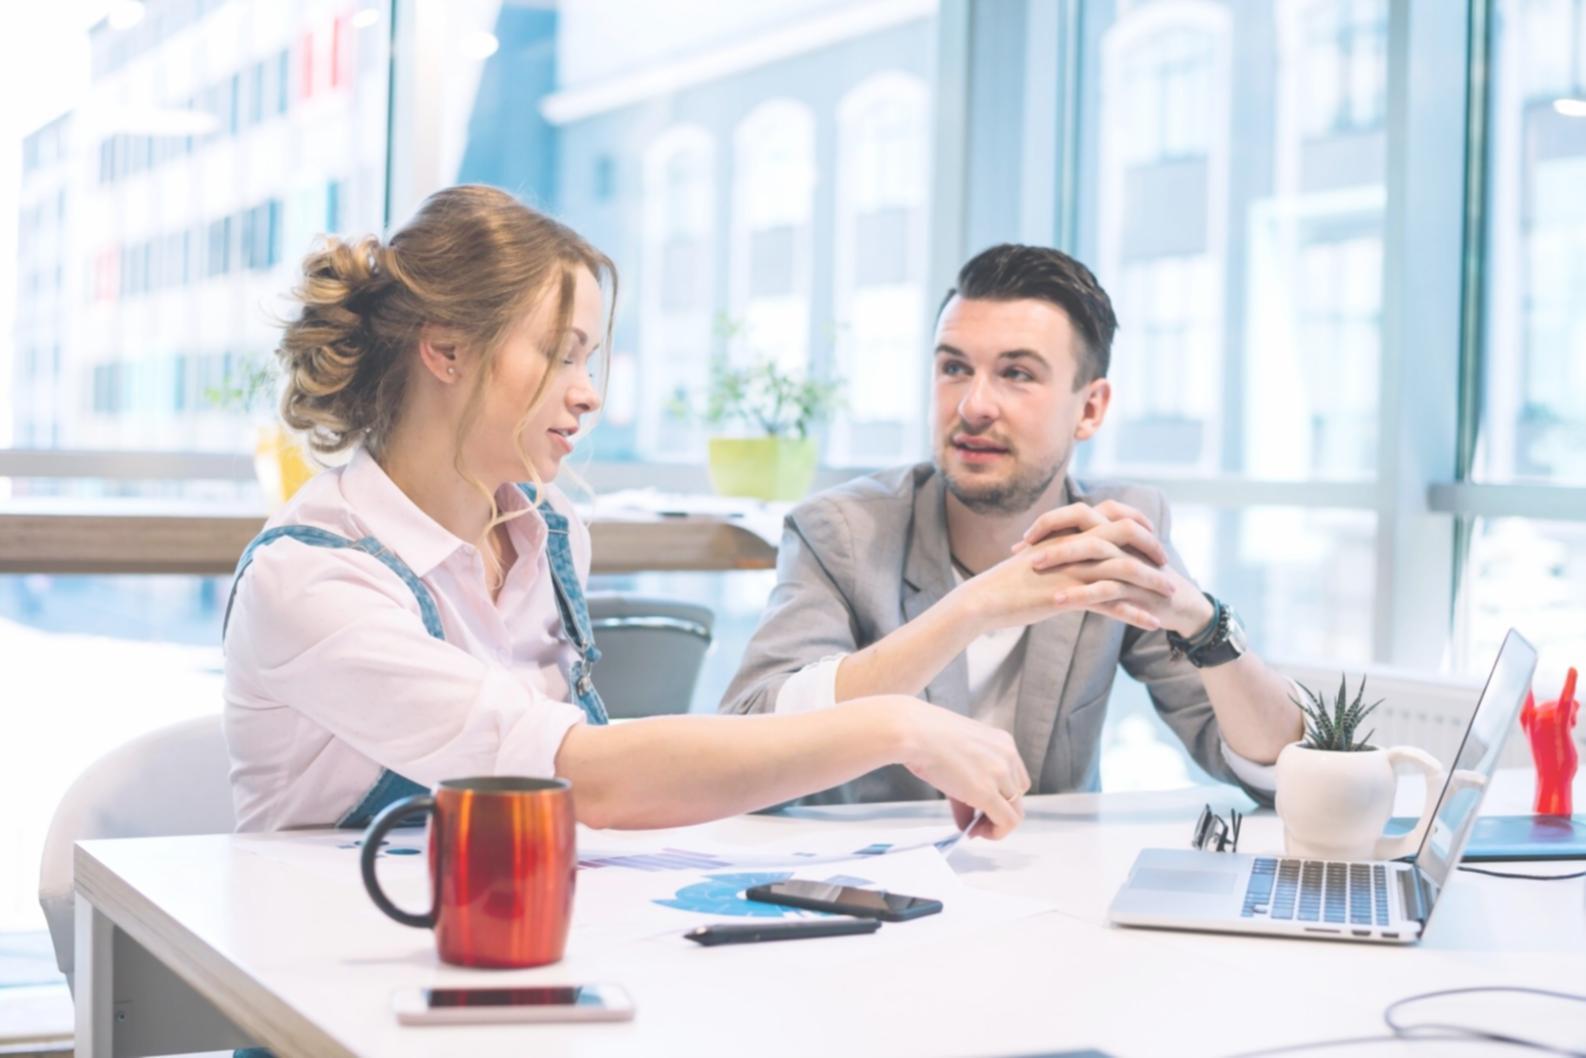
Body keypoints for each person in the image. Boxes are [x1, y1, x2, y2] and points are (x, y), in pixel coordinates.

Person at [222, 185, 1029, 837]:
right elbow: (581, 775)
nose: (589, 391)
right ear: (446, 349)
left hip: (502, 946)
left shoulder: (548, 532)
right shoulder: (312, 578)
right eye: (559, 352)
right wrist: (900, 728)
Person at [720, 243, 1301, 804]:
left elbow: (1277, 767)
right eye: (953, 367)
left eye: (1017, 374)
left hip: (1046, 884)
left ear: (1090, 408)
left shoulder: (1116, 534)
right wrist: (973, 607)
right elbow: (744, 744)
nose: (973, 405)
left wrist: (1203, 622)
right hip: (864, 887)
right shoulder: (841, 533)